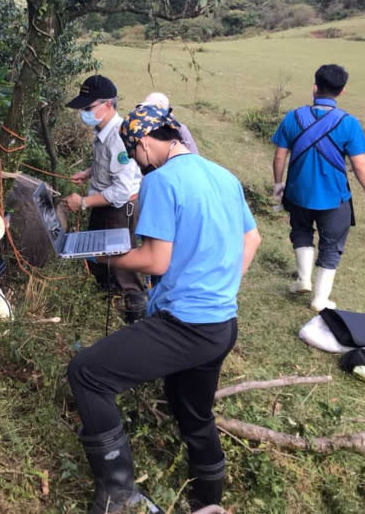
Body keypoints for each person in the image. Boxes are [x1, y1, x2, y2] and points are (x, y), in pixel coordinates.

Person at [66, 105, 261, 513]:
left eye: (134, 152)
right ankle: (207, 503)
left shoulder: (162, 182)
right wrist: (221, 287)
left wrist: (107, 259)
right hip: (222, 323)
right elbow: (252, 240)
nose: (137, 161)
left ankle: (118, 496)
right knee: (192, 411)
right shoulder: (224, 175)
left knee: (87, 372)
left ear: (142, 144)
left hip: (185, 325)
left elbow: (155, 261)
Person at [271, 64, 365, 311]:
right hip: (334, 197)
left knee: (300, 231)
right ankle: (320, 298)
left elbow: (279, 156)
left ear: (314, 87)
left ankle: (303, 279)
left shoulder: (293, 117)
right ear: (342, 91)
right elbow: (359, 164)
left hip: (297, 192)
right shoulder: (348, 123)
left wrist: (278, 185)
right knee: (331, 244)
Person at [63, 75, 147, 323]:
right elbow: (106, 165)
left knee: (121, 260)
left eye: (88, 108)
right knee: (98, 252)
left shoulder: (119, 138)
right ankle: (107, 292)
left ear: (108, 104)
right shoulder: (102, 130)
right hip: (102, 201)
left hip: (119, 208)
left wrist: (84, 203)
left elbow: (121, 190)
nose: (84, 114)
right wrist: (88, 172)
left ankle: (136, 306)